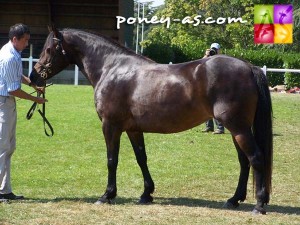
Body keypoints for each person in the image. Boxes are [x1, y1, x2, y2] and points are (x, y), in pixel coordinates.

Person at [0, 23, 47, 201]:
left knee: (8, 147)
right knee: (3, 148)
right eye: (25, 40)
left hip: (6, 103)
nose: (27, 44)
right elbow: (13, 90)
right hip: (4, 102)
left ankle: (5, 190)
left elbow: (17, 75)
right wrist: (36, 99)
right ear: (15, 39)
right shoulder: (9, 57)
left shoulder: (11, 51)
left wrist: (33, 85)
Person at [202, 43, 225, 134]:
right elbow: (200, 63)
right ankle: (209, 126)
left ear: (219, 50)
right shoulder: (208, 57)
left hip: (218, 85)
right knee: (205, 105)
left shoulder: (222, 59)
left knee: (215, 106)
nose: (214, 51)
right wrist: (206, 55)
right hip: (208, 84)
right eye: (212, 49)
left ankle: (220, 128)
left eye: (215, 49)